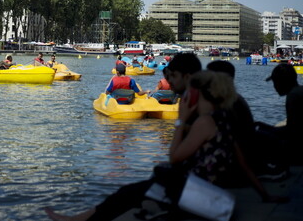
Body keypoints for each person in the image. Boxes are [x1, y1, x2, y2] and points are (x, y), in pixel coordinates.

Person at [45, 70, 286, 221]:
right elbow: (242, 162)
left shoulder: (205, 123)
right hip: (209, 187)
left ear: (198, 96)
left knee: (131, 191)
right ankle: (86, 217)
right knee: (147, 184)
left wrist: (181, 121)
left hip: (194, 191)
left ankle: (82, 219)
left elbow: (174, 157)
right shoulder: (224, 119)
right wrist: (264, 195)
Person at [260, 63, 303, 166]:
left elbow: (293, 132)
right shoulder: (299, 91)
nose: (274, 86)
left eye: (275, 82)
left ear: (282, 82)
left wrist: (268, 130)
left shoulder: (293, 96)